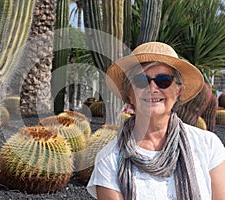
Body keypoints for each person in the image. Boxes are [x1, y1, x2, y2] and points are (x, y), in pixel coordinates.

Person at [86, 42, 225, 200]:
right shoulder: (109, 159)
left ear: (178, 91)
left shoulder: (208, 146)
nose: (152, 88)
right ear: (129, 93)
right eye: (140, 81)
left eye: (164, 80)